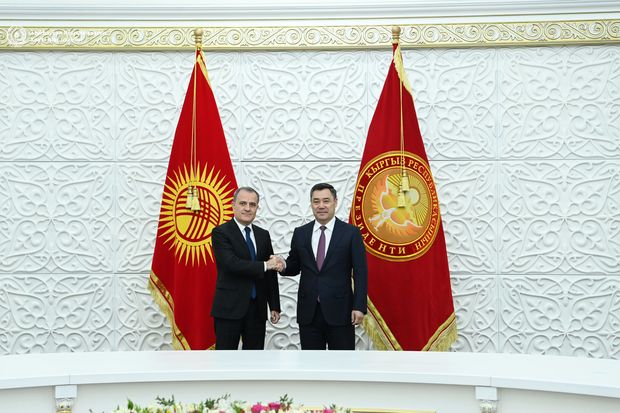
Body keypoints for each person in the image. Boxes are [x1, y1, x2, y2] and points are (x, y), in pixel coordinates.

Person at [277, 183, 368, 350]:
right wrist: (283, 265)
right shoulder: (301, 233)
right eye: (316, 201)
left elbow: (360, 272)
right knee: (310, 363)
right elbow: (294, 265)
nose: (321, 206)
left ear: (335, 202)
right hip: (309, 313)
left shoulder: (351, 233)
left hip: (341, 311)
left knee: (342, 362)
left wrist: (359, 306)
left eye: (326, 201)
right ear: (311, 204)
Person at [211, 186, 281, 350]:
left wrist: (274, 305)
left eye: (252, 204)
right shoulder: (220, 232)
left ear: (257, 208)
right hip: (229, 308)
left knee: (255, 359)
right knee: (225, 359)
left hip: (257, 309)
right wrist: (265, 265)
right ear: (233, 205)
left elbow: (270, 274)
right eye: (243, 203)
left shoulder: (263, 234)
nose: (247, 208)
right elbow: (231, 263)